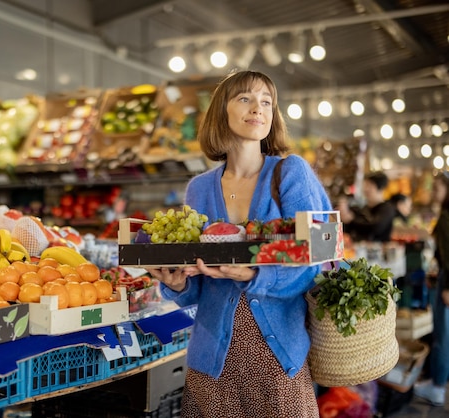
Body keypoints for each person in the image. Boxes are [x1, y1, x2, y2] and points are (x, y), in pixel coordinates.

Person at [146, 70, 332, 418]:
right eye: (245, 98)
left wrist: (253, 275)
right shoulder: (199, 189)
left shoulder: (291, 173)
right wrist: (177, 284)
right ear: (222, 111)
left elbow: (316, 263)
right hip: (212, 364)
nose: (257, 108)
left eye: (267, 102)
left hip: (277, 361)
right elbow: (197, 284)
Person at [414, 172, 449, 406]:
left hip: (447, 283)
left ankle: (437, 386)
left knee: (442, 337)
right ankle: (438, 381)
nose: (433, 192)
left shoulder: (446, 217)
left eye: (437, 188)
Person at [337, 172, 395, 242]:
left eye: (370, 186)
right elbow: (351, 230)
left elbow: (375, 228)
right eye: (365, 185)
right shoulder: (363, 208)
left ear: (381, 188)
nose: (366, 189)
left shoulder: (387, 208)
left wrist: (351, 220)